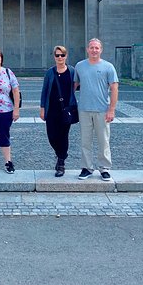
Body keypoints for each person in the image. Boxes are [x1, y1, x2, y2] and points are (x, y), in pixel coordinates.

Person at [73, 38, 119, 181]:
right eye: (91, 48)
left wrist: (111, 109)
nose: (94, 50)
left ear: (101, 50)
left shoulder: (108, 67)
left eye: (97, 48)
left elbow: (114, 88)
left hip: (102, 110)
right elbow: (73, 86)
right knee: (85, 141)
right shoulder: (80, 66)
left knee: (103, 141)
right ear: (87, 49)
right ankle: (86, 168)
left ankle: (104, 168)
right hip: (84, 109)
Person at [40, 45, 77, 177]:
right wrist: (42, 108)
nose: (60, 57)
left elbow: (77, 86)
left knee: (63, 136)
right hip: (52, 110)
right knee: (52, 136)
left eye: (62, 55)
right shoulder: (50, 72)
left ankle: (61, 163)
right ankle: (61, 154)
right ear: (54, 57)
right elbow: (44, 91)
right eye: (57, 55)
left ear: (66, 56)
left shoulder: (72, 71)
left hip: (66, 110)